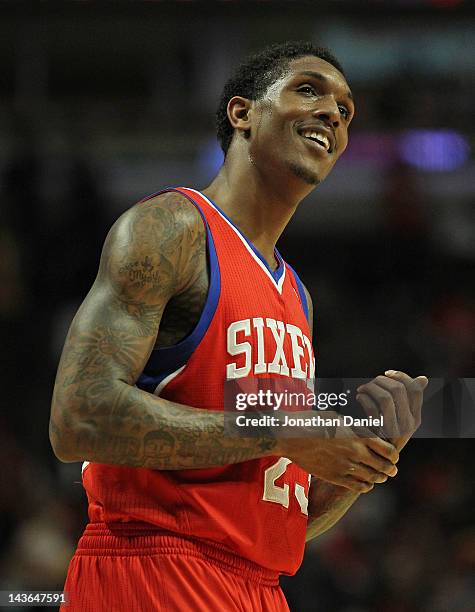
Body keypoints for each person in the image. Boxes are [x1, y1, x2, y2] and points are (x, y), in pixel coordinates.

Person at [50, 41, 428, 611]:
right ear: (242, 113)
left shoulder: (296, 294)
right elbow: (77, 417)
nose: (333, 113)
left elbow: (275, 524)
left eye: (346, 110)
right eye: (309, 90)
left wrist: (359, 462)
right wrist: (280, 430)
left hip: (257, 586)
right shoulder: (171, 229)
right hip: (153, 567)